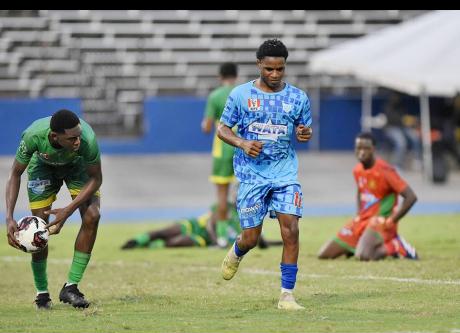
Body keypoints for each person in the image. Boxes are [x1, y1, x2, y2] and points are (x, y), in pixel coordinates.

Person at [217, 39, 313, 310]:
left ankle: (287, 296)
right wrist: (243, 143)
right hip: (252, 176)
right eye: (269, 69)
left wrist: (305, 134)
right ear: (259, 64)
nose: (274, 74)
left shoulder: (298, 98)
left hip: (285, 173)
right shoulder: (240, 95)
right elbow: (222, 130)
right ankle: (237, 250)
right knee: (252, 238)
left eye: (279, 69)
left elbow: (304, 132)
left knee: (291, 230)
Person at [5, 109, 102, 310]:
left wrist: (68, 210)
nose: (77, 141)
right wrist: (8, 217)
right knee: (38, 230)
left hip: (77, 167)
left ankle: (71, 287)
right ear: (53, 136)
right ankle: (42, 294)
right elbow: (15, 174)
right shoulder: (34, 135)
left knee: (93, 215)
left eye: (79, 135)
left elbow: (96, 179)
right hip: (43, 167)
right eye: (72, 138)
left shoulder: (87, 140)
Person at [317, 132, 418, 261]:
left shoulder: (386, 170)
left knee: (364, 256)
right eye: (359, 148)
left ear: (373, 150)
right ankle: (358, 244)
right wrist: (359, 213)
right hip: (363, 220)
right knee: (324, 254)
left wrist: (392, 220)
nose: (362, 152)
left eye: (366, 148)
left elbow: (411, 197)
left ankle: (395, 245)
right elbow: (360, 191)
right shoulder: (357, 170)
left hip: (381, 221)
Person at [120, 202, 282, 250]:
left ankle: (150, 246)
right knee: (166, 231)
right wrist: (217, 240)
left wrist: (279, 243)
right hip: (196, 226)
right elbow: (211, 223)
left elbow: (258, 240)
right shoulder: (225, 207)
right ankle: (138, 240)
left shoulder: (247, 221)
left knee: (176, 242)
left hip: (202, 239)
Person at [201, 62, 238, 248]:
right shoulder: (243, 93)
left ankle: (223, 237)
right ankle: (246, 232)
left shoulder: (215, 96)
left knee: (222, 195)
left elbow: (207, 127)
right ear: (236, 76)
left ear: (220, 76)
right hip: (242, 147)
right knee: (245, 193)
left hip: (222, 149)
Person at [382, 91, 422, 170]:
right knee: (401, 143)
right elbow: (392, 119)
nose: (396, 99)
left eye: (397, 97)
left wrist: (411, 121)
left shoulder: (401, 106)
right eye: (395, 97)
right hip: (391, 127)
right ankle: (396, 165)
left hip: (402, 127)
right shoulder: (388, 106)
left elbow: (404, 118)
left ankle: (417, 160)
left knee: (415, 137)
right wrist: (403, 120)